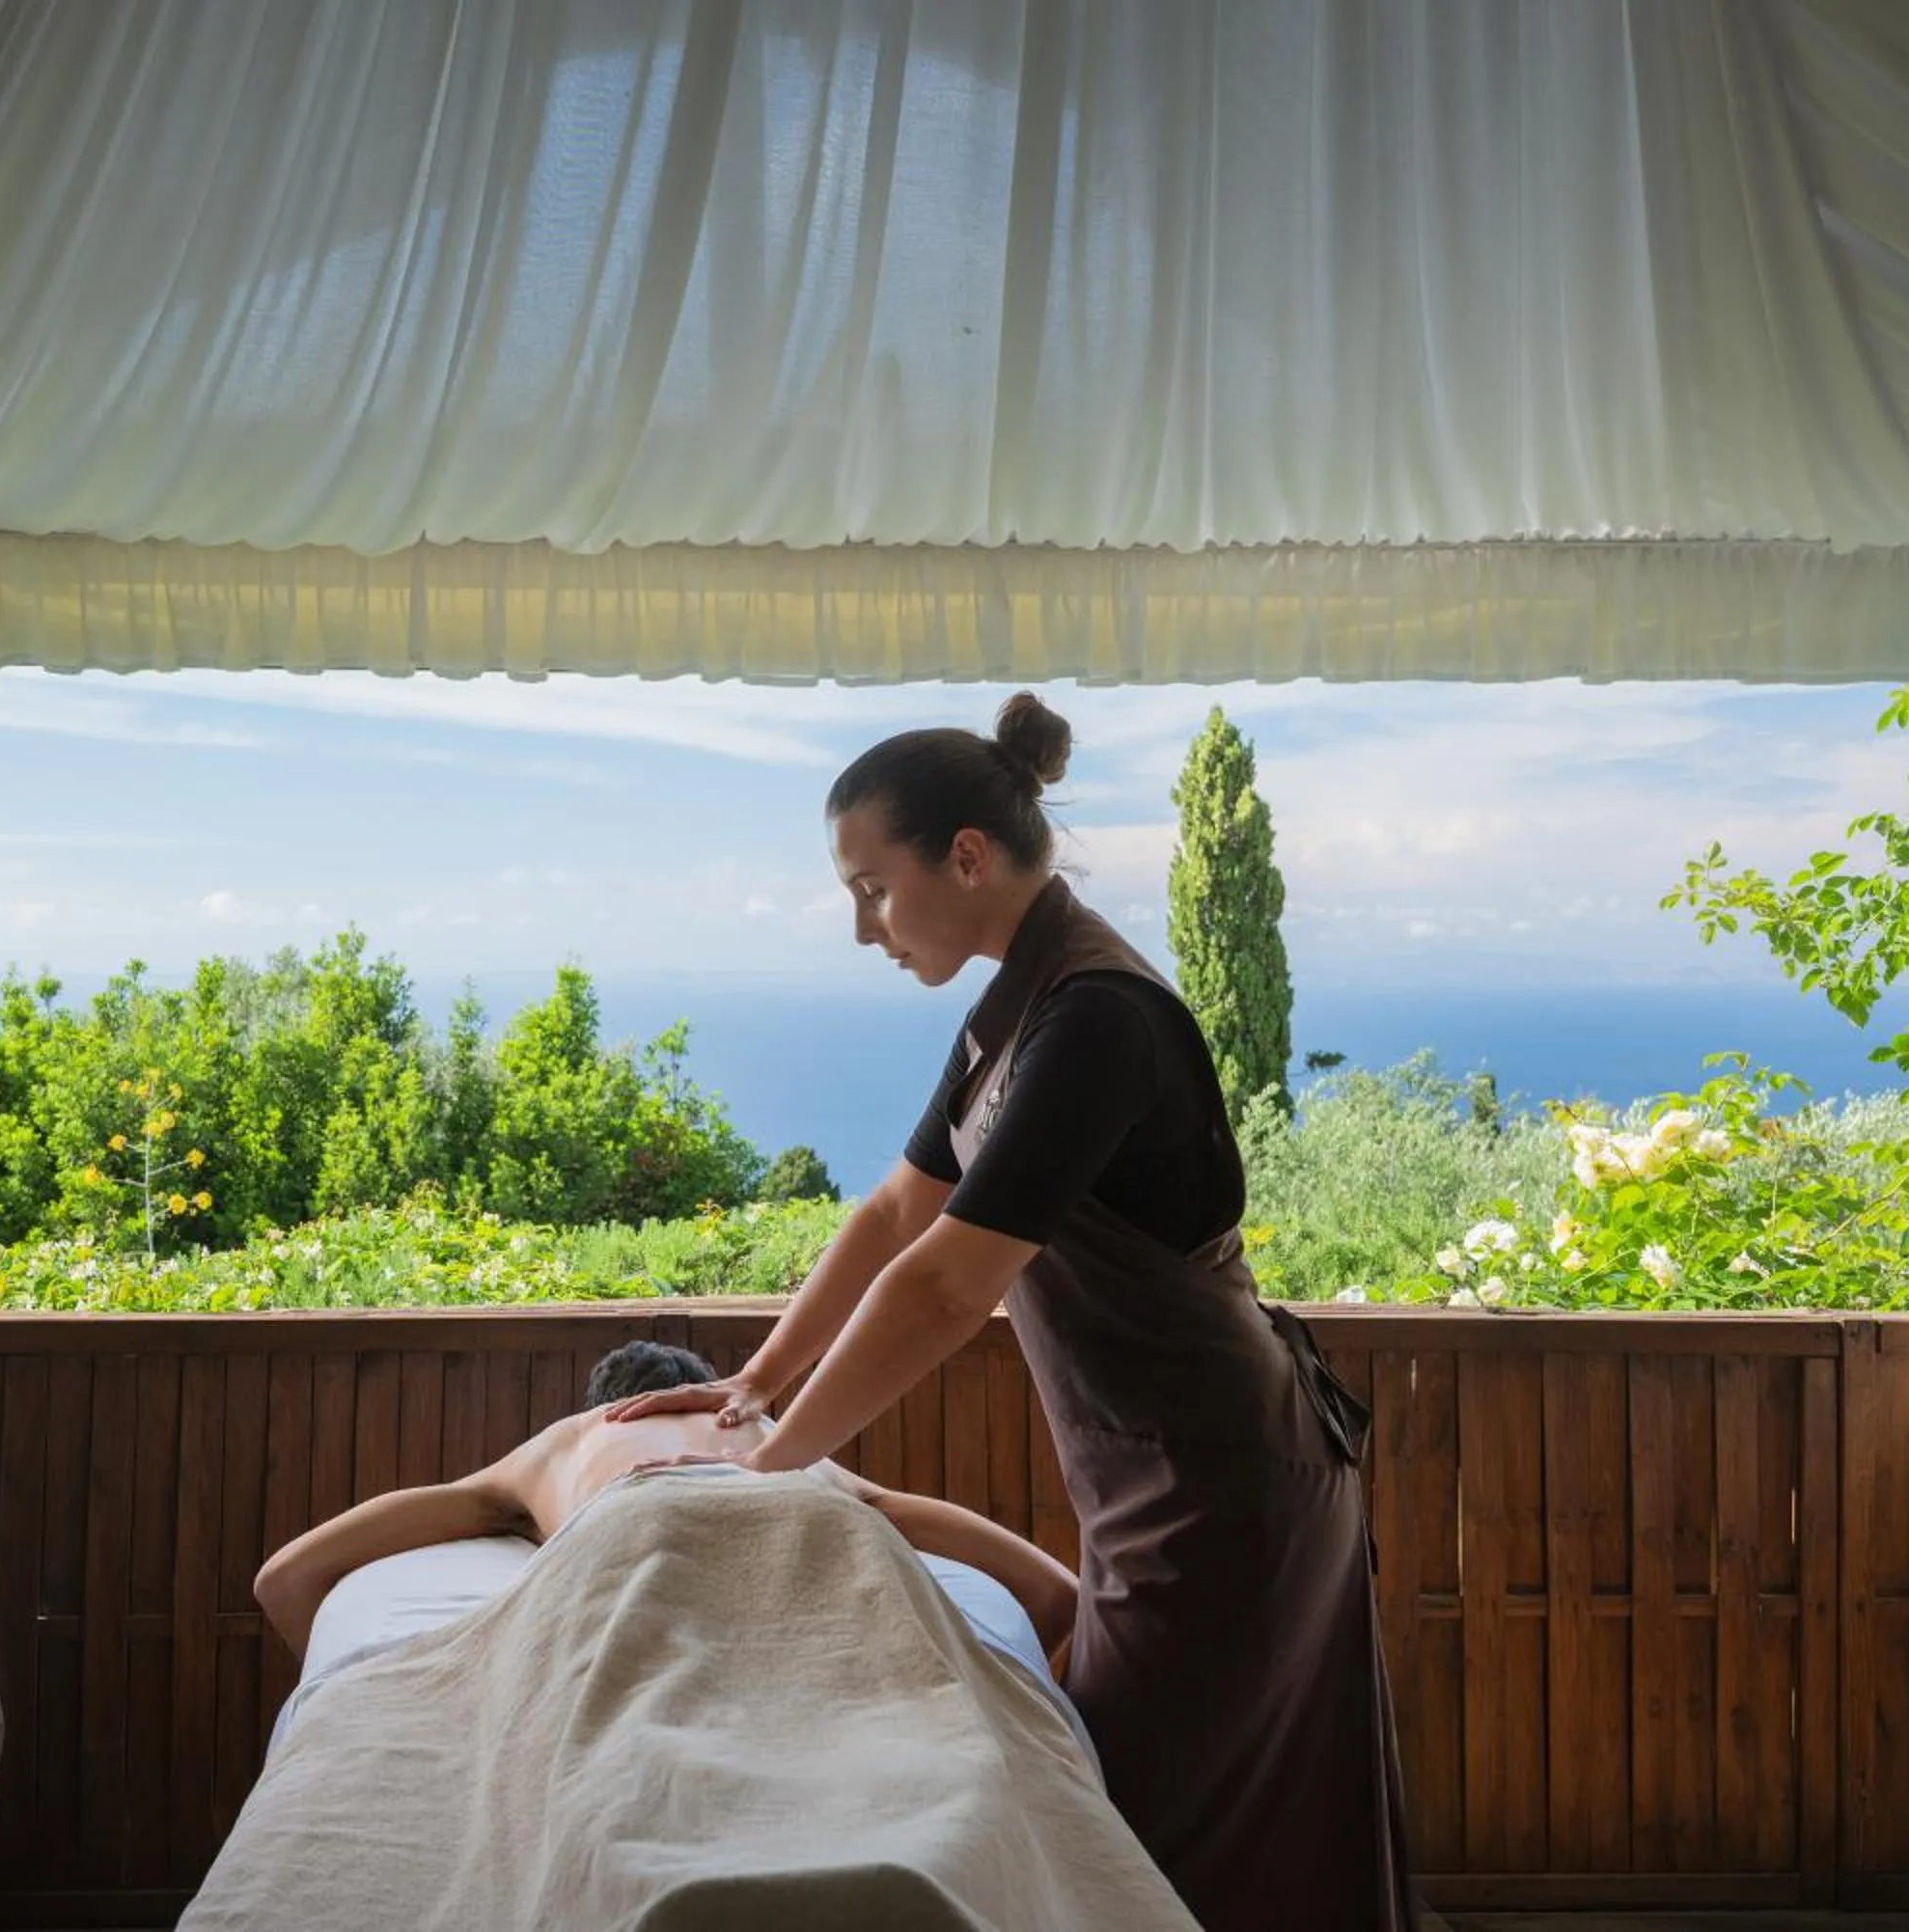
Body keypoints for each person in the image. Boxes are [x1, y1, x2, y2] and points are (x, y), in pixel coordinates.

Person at [606, 692, 1421, 1932]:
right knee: (1144, 1826)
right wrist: (755, 1381)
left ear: (968, 857)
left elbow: (945, 1283)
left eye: (873, 887)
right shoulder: (1015, 1011)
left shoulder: (1095, 1016)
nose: (862, 927)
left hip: (1226, 1484)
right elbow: (895, 1211)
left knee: (1157, 1835)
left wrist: (772, 1471)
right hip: (1154, 1475)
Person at [251, 1339, 1077, 1663]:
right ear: (710, 1393)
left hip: (639, 1523)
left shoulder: (574, 1438)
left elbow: (286, 1577)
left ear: (606, 1405)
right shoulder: (772, 1438)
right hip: (806, 1533)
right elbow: (1053, 1593)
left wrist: (344, 1684)